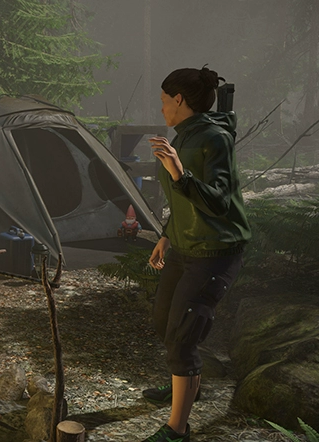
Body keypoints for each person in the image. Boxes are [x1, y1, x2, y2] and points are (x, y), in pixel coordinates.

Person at [140, 67, 251, 442]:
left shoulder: (215, 139)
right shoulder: (182, 137)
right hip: (186, 247)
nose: (161, 109)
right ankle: (188, 387)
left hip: (215, 251)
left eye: (162, 101)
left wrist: (180, 173)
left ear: (179, 100)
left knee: (183, 336)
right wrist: (167, 236)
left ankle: (177, 430)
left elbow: (218, 202)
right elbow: (180, 201)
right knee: (163, 321)